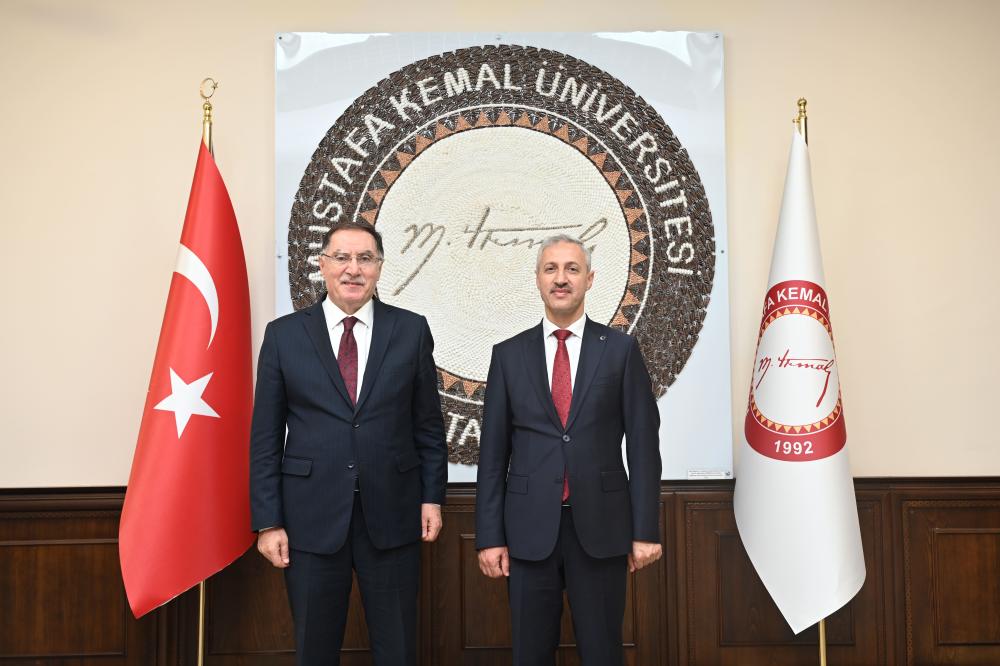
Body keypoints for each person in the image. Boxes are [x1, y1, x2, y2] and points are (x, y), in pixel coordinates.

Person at [250, 220, 447, 666]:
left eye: (365, 259)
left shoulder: (411, 331)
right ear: (322, 265)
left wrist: (432, 497)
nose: (353, 269)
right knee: (315, 651)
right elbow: (265, 438)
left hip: (394, 517)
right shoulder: (284, 336)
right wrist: (267, 521)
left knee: (397, 650)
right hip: (309, 521)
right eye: (342, 258)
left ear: (379, 267)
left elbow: (428, 428)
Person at [475, 234, 663, 666]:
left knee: (602, 652)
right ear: (538, 280)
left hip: (601, 528)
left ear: (590, 279)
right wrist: (489, 537)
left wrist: (645, 530)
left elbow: (643, 444)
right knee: (530, 653)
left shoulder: (620, 351)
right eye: (551, 269)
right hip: (526, 532)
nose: (561, 279)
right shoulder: (508, 355)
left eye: (572, 269)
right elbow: (493, 454)